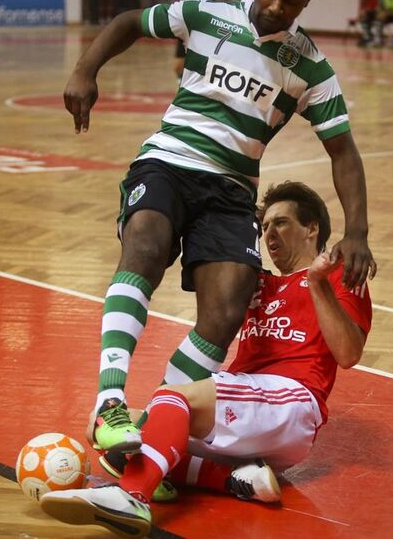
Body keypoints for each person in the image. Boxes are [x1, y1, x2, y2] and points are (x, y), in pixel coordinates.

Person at [63, 0, 375, 459]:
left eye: (291, 1)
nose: (277, 6)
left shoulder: (311, 69)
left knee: (227, 309)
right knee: (144, 246)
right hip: (168, 160)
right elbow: (128, 22)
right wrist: (84, 70)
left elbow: (343, 152)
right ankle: (109, 402)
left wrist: (358, 231)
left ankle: (155, 419)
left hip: (232, 188)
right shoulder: (205, 15)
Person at [40, 181, 373, 537]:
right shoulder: (258, 283)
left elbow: (348, 353)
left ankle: (132, 496)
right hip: (247, 413)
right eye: (265, 227)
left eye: (282, 222)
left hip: (292, 399)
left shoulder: (338, 274)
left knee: (175, 397)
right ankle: (238, 479)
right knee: (116, 428)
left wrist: (318, 283)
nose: (269, 234)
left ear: (312, 228)